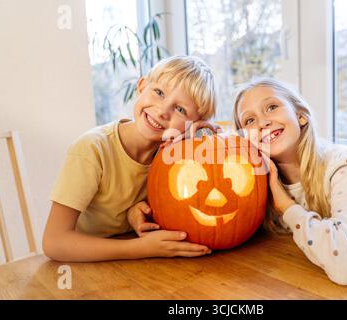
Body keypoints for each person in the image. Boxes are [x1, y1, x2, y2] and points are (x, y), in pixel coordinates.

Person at [43, 55, 219, 262]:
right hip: (84, 265)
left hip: (135, 267)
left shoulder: (174, 156)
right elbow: (54, 242)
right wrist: (139, 248)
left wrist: (203, 137)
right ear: (142, 86)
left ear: (193, 123)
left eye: (180, 109)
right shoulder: (92, 149)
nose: (163, 111)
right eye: (159, 92)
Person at [233, 77, 347, 285]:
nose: (262, 122)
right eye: (249, 120)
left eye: (271, 107)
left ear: (300, 116)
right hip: (296, 280)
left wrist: (286, 205)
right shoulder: (253, 180)